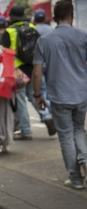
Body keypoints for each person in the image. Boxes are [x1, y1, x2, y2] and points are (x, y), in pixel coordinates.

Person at [32, 0, 87, 189]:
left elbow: (37, 72)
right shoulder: (83, 36)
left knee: (65, 136)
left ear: (54, 18)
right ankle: (86, 160)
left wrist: (37, 95)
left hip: (59, 95)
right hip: (81, 92)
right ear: (72, 16)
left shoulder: (44, 41)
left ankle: (76, 178)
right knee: (79, 129)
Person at [1, 5, 56, 140]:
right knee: (34, 96)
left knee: (20, 101)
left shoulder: (9, 31)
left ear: (12, 17)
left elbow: (4, 53)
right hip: (32, 68)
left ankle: (26, 131)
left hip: (17, 71)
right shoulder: (32, 28)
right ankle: (47, 116)